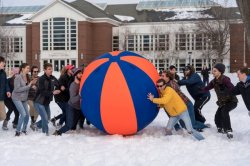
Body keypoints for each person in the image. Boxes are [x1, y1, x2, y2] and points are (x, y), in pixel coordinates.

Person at [201, 63, 238, 139]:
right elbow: (207, 88)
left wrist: (228, 92)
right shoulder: (214, 81)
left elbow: (232, 88)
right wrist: (199, 90)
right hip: (223, 103)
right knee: (217, 116)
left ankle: (228, 130)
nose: (213, 72)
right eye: (213, 70)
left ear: (220, 72)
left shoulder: (225, 80)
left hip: (231, 101)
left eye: (215, 71)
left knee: (224, 111)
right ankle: (220, 128)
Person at [53, 68, 83, 135]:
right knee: (69, 125)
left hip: (78, 108)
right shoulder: (73, 86)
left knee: (73, 126)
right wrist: (80, 95)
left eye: (81, 73)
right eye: (79, 73)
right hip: (71, 107)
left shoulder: (81, 84)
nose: (81, 75)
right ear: (75, 75)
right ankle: (57, 133)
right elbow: (72, 100)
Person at [34, 63, 60, 136]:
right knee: (45, 118)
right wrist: (53, 92)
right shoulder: (41, 79)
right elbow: (42, 92)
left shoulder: (53, 78)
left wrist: (60, 88)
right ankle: (45, 133)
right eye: (49, 69)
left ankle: (36, 125)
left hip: (46, 102)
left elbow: (58, 84)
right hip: (39, 101)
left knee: (48, 118)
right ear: (44, 70)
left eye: (51, 69)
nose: (51, 70)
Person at [12, 63, 37, 136]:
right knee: (23, 114)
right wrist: (29, 86)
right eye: (27, 68)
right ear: (22, 69)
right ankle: (17, 131)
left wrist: (32, 86)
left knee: (27, 115)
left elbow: (28, 86)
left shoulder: (28, 76)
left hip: (24, 98)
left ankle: (24, 129)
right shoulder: (18, 77)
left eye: (29, 68)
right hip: (16, 97)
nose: (28, 70)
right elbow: (17, 89)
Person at [28, 66, 39, 130]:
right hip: (29, 97)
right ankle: (32, 121)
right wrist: (31, 86)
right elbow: (25, 86)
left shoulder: (39, 78)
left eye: (37, 71)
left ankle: (33, 122)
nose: (36, 73)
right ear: (32, 72)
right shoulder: (28, 78)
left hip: (37, 97)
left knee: (37, 109)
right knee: (32, 106)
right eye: (35, 71)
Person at [0, 56, 11, 122]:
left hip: (1, 97)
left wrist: (8, 91)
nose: (4, 64)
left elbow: (6, 82)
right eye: (3, 62)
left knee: (3, 116)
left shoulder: (3, 73)